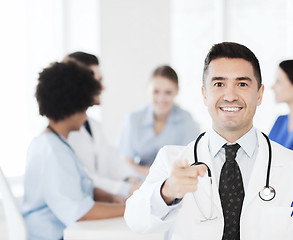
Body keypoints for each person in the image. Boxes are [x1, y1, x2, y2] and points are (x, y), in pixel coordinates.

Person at [124, 42, 293, 240]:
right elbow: (135, 221)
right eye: (219, 83)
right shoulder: (171, 160)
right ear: (204, 94)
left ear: (260, 94)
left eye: (242, 84)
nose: (230, 95)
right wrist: (167, 191)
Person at [22, 62, 126, 240]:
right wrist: (130, 209)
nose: (86, 115)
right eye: (85, 107)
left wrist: (111, 198)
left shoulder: (51, 143)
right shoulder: (54, 152)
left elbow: (79, 188)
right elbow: (81, 212)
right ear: (72, 108)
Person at [65, 51, 141, 198]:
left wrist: (131, 179)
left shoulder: (94, 125)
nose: (103, 87)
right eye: (97, 81)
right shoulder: (64, 132)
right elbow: (84, 178)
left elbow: (113, 160)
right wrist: (126, 189)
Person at [117, 65, 200, 178]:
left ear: (176, 92)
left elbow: (192, 161)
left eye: (168, 92)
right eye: (156, 92)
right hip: (139, 183)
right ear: (147, 89)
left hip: (175, 183)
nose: (161, 98)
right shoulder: (133, 119)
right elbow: (125, 163)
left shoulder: (186, 120)